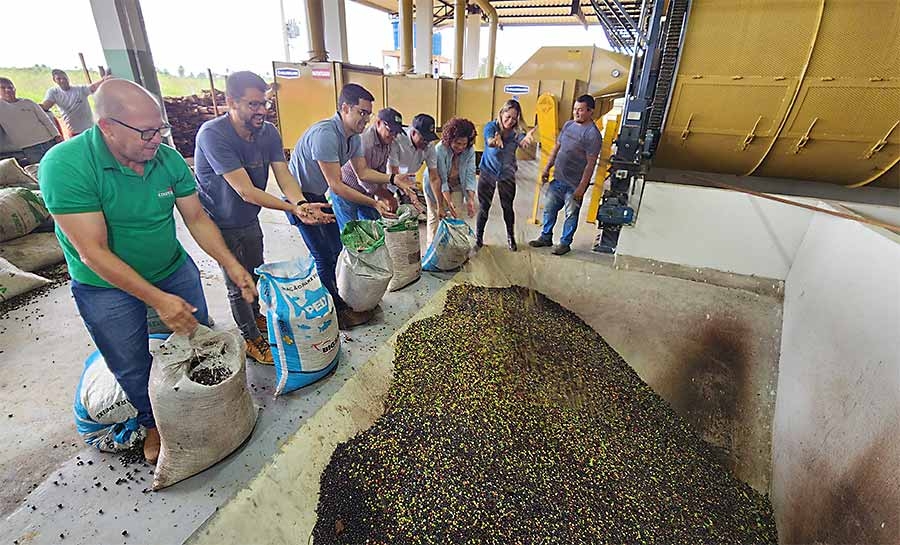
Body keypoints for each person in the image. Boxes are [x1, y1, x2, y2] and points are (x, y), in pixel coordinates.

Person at [38, 79, 257, 464]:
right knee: (131, 360)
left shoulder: (167, 160)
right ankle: (153, 421)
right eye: (146, 132)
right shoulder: (65, 165)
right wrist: (158, 301)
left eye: (161, 129)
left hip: (171, 269)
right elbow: (92, 252)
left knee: (196, 340)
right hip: (104, 286)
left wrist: (231, 264)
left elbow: (197, 218)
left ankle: (203, 407)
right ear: (107, 127)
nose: (156, 139)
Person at [194, 71, 333, 364]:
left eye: (265, 104)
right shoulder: (213, 134)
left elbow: (283, 175)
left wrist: (301, 203)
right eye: (253, 104)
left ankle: (255, 318)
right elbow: (245, 190)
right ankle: (251, 339)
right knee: (238, 282)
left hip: (249, 218)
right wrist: (293, 210)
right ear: (231, 102)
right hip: (219, 221)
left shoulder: (267, 132)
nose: (261, 111)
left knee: (255, 272)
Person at [288, 83, 408, 329]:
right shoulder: (326, 135)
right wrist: (374, 202)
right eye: (361, 112)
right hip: (298, 197)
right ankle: (335, 312)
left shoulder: (352, 139)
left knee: (336, 248)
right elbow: (337, 186)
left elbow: (363, 172)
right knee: (322, 255)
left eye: (368, 113)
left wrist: (393, 180)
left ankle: (341, 299)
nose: (365, 119)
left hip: (318, 193)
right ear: (345, 108)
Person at [529, 95, 602, 256]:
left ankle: (564, 243)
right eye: (575, 109)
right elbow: (557, 148)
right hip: (558, 179)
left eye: (580, 110)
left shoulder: (593, 135)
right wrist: (547, 168)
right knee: (549, 209)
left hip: (574, 185)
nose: (576, 113)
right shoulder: (569, 125)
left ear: (590, 111)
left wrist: (581, 188)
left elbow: (590, 164)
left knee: (571, 214)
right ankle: (545, 237)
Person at [334, 106, 418, 231]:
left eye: (396, 133)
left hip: (365, 192)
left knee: (375, 229)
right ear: (378, 123)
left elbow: (381, 171)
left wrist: (385, 194)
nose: (393, 136)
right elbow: (363, 179)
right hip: (346, 190)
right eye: (390, 131)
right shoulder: (365, 141)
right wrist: (387, 197)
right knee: (351, 234)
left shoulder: (387, 142)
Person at [476, 100, 536, 251]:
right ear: (501, 113)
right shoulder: (491, 127)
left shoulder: (516, 133)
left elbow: (522, 141)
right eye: (507, 116)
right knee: (484, 207)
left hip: (507, 175)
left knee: (507, 207)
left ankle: (511, 238)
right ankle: (478, 239)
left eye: (514, 118)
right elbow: (489, 141)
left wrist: (526, 140)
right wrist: (494, 142)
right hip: (488, 172)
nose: (510, 121)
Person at [423, 117, 477, 244]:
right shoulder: (439, 150)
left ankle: (453, 248)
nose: (461, 147)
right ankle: (432, 249)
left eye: (464, 144)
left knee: (456, 216)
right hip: (435, 184)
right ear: (449, 139)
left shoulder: (470, 150)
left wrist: (470, 200)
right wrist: (446, 202)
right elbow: (441, 180)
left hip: (457, 184)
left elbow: (470, 176)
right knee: (435, 216)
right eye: (457, 143)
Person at [387, 113, 442, 235]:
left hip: (408, 177)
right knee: (389, 213)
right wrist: (401, 195)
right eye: (424, 139)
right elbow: (394, 172)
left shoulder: (429, 145)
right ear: (413, 133)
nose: (426, 143)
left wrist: (440, 205)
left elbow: (434, 177)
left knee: (410, 216)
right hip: (389, 179)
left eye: (429, 140)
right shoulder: (398, 139)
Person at [0, 77, 61, 164]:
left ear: (14, 89)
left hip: (49, 140)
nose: (7, 90)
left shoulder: (28, 102)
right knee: (40, 169)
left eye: (10, 87)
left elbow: (45, 119)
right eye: (3, 88)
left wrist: (57, 135)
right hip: (29, 148)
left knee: (59, 163)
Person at [40, 69, 108, 136]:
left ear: (68, 78)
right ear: (54, 80)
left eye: (64, 78)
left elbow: (93, 87)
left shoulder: (80, 89)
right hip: (74, 131)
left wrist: (104, 79)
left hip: (90, 128)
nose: (62, 80)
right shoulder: (54, 92)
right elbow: (46, 106)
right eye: (59, 79)